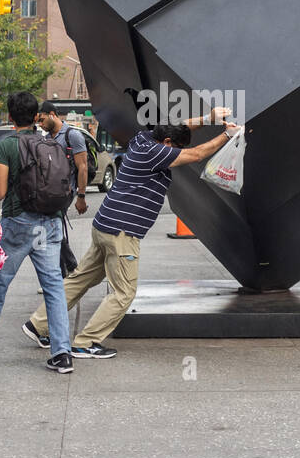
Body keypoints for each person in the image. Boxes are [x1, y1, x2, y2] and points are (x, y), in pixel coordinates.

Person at [24, 106, 238, 359]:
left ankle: (38, 324)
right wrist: (229, 135)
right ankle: (85, 342)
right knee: (124, 292)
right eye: (174, 147)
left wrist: (208, 119)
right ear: (167, 143)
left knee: (81, 278)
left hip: (105, 225)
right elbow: (196, 154)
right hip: (122, 232)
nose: (175, 153)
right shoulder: (157, 152)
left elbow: (179, 127)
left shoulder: (143, 139)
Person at [0, 91, 77, 373]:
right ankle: (62, 353)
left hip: (19, 224)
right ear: (36, 117)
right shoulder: (51, 142)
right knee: (54, 288)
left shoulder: (7, 146)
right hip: (51, 223)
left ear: (9, 116)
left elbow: (1, 193)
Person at [37, 101, 90, 217]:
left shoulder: (72, 135)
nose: (40, 124)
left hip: (65, 193)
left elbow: (83, 167)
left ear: (52, 114)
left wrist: (81, 197)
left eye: (42, 120)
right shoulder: (45, 139)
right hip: (48, 193)